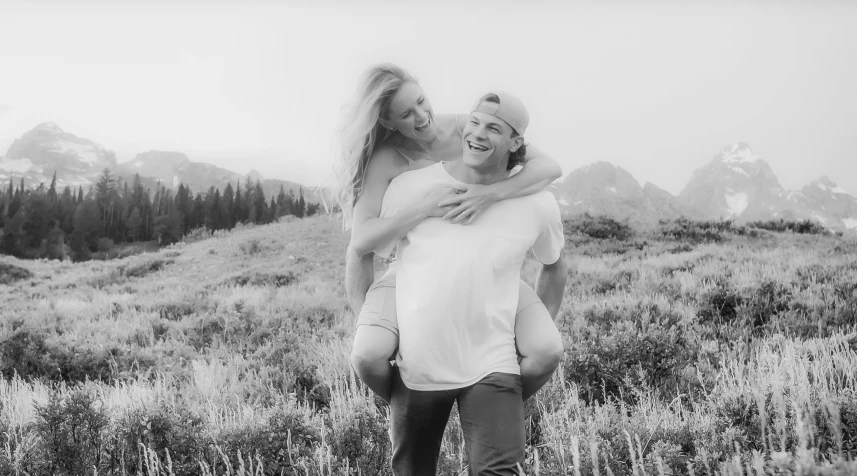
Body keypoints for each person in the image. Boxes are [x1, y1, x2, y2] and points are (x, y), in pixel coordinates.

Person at [332, 63, 564, 404]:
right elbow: (362, 242)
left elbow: (549, 167)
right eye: (407, 114)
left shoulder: (464, 128)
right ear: (387, 122)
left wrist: (491, 194)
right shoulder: (387, 158)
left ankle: (503, 403)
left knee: (545, 348)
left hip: (487, 267)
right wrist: (423, 207)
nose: (423, 116)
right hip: (416, 268)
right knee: (367, 354)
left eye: (422, 102)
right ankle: (407, 400)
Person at [380, 90, 568, 474]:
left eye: (494, 128)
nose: (478, 134)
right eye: (475, 122)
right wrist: (376, 329)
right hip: (419, 365)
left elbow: (554, 265)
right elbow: (375, 255)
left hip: (492, 365)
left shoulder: (538, 204)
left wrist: (535, 326)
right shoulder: (411, 188)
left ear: (517, 143)